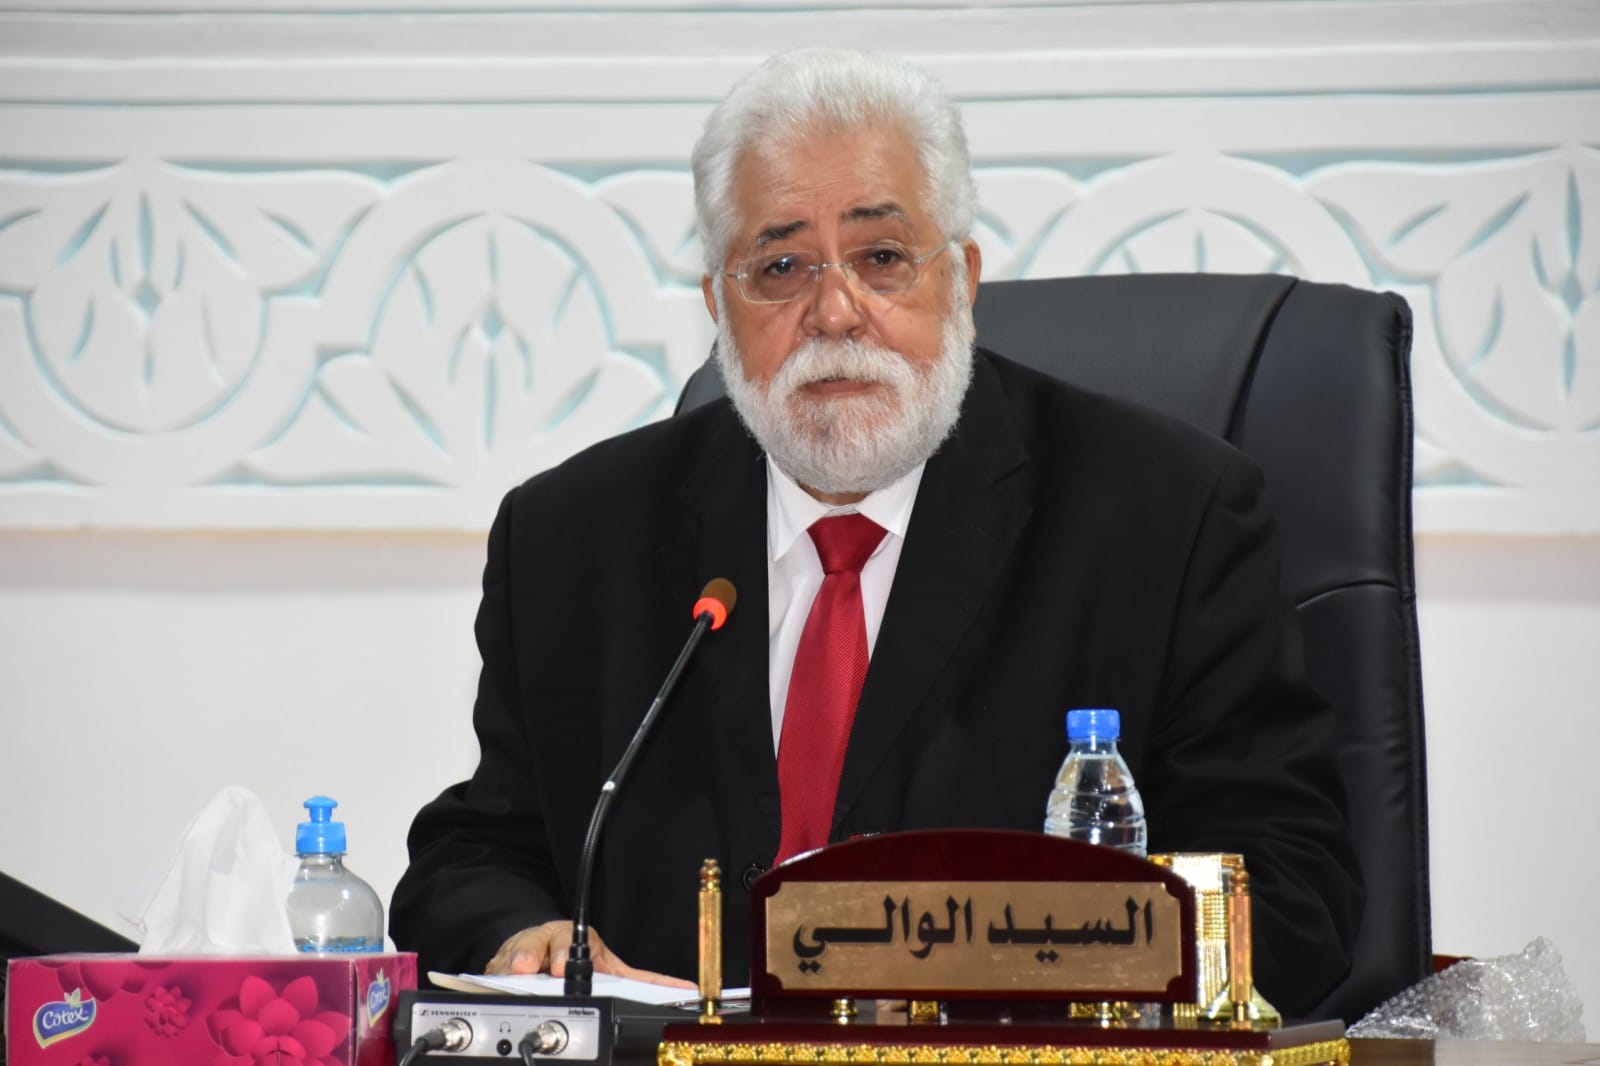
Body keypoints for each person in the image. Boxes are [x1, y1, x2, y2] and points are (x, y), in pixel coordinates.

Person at [391, 47, 1362, 1016]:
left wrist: (985, 978)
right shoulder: (571, 539)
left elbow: (1290, 889)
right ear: (718, 307)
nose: (833, 312)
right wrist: (523, 935)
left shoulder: (1167, 516)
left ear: (962, 279)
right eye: (780, 266)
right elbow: (477, 854)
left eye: (882, 257)